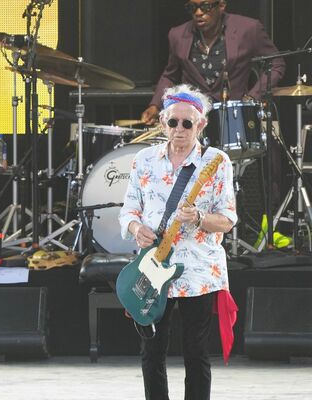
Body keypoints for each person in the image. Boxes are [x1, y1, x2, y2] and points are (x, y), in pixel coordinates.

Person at [120, 84, 238, 400]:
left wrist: (199, 217)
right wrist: (134, 227)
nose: (180, 129)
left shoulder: (217, 161)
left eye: (188, 123)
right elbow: (128, 209)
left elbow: (227, 219)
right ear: (163, 124)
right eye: (174, 122)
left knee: (196, 351)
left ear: (201, 125)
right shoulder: (144, 159)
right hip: (154, 266)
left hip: (198, 271)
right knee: (151, 351)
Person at [141, 0, 285, 125]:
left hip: (235, 118)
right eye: (192, 7)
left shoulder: (248, 29)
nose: (198, 13)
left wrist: (252, 97)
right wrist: (155, 105)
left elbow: (277, 63)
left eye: (205, 6)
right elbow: (170, 75)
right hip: (194, 119)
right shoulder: (177, 35)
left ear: (221, 6)